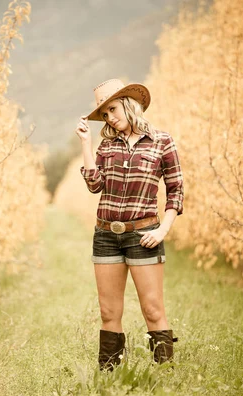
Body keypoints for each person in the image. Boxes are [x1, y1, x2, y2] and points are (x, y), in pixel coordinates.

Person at [75, 79, 184, 371]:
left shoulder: (162, 141)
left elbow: (175, 190)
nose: (109, 118)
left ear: (127, 102)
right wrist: (86, 144)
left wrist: (162, 230)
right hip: (106, 235)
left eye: (112, 109)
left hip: (144, 234)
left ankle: (164, 377)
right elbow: (95, 185)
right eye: (105, 114)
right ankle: (110, 380)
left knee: (152, 309)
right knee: (109, 312)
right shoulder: (106, 145)